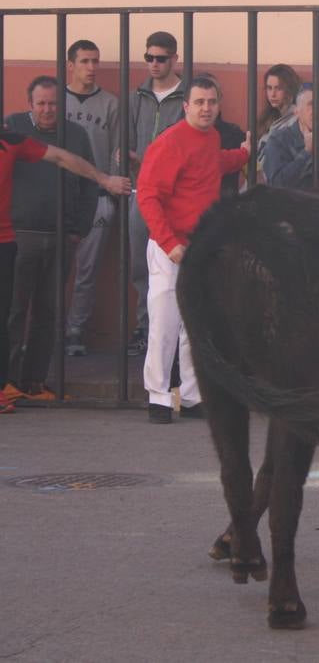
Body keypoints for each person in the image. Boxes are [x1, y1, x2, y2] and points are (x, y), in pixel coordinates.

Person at [0, 104, 130, 411]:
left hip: (5, 241)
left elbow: (60, 157)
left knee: (4, 317)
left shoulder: (12, 141)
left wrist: (103, 179)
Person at [137, 77, 249, 423]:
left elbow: (213, 164)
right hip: (172, 248)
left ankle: (191, 395)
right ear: (186, 106)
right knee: (165, 321)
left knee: (195, 324)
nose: (206, 108)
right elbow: (147, 194)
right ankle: (158, 397)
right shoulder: (170, 142)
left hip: (199, 247)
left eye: (211, 102)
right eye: (199, 102)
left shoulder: (209, 137)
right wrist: (169, 243)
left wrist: (245, 152)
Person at [2, 77, 98, 402]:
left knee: (48, 311)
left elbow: (89, 184)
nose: (47, 110)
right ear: (30, 103)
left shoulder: (77, 135)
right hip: (19, 235)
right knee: (14, 310)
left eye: (53, 103)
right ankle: (7, 382)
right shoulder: (13, 127)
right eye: (41, 103)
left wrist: (79, 229)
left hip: (61, 236)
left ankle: (33, 382)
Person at [126, 31, 186, 356]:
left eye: (160, 58)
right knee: (140, 263)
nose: (154, 64)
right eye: (149, 57)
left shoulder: (189, 97)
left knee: (175, 262)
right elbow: (125, 140)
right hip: (141, 190)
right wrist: (125, 161)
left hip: (176, 195)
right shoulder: (137, 96)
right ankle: (145, 327)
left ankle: (176, 333)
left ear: (175, 59)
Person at [63, 39, 119, 357]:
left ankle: (75, 330)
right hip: (60, 196)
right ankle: (49, 329)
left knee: (87, 271)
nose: (91, 67)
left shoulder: (110, 103)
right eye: (84, 61)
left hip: (96, 195)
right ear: (70, 64)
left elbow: (117, 151)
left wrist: (110, 192)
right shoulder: (55, 101)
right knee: (53, 269)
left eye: (95, 61)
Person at [262, 84, 319, 188]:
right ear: (297, 111)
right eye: (312, 104)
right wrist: (307, 152)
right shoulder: (279, 140)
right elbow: (277, 184)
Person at [255, 63, 301, 163]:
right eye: (269, 88)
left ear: (289, 89)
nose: (272, 94)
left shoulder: (296, 120)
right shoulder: (268, 117)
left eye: (278, 88)